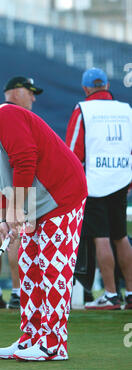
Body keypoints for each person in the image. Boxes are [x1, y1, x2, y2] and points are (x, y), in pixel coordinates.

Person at [0, 96, 87, 362]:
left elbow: (25, 161)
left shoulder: (6, 115)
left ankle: (54, 345)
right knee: (29, 267)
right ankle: (31, 337)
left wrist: (15, 210)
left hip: (61, 196)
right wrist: (3, 219)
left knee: (53, 269)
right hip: (34, 205)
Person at [66, 67, 132, 311]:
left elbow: (73, 152)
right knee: (121, 237)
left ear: (86, 88)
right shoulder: (126, 110)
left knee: (101, 238)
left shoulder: (83, 109)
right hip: (121, 180)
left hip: (93, 184)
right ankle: (131, 293)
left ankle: (111, 295)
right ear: (106, 85)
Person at [0, 76, 44, 309]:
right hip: (13, 183)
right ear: (17, 92)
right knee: (14, 236)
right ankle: (18, 293)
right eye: (30, 92)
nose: (33, 97)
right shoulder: (13, 117)